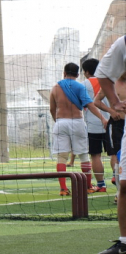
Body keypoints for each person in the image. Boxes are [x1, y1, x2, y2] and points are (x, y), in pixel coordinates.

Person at [49, 62, 107, 197]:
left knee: (62, 157)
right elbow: (90, 105)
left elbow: (52, 109)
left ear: (64, 73)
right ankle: (88, 186)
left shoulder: (55, 88)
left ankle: (63, 188)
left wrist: (57, 121)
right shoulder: (80, 87)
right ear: (77, 74)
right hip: (77, 122)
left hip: (61, 122)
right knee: (83, 155)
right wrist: (102, 119)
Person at [94, 38, 126, 254]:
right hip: (122, 125)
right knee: (124, 184)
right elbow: (102, 73)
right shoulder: (124, 43)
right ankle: (124, 243)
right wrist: (114, 103)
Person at [96, 71, 126, 197]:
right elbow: (96, 101)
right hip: (116, 124)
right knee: (116, 154)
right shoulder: (110, 84)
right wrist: (110, 111)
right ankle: (118, 191)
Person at [82, 58, 109, 192]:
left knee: (95, 155)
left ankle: (101, 185)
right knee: (115, 154)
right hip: (111, 122)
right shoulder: (108, 81)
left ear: (86, 72)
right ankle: (117, 180)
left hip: (93, 125)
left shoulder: (84, 84)